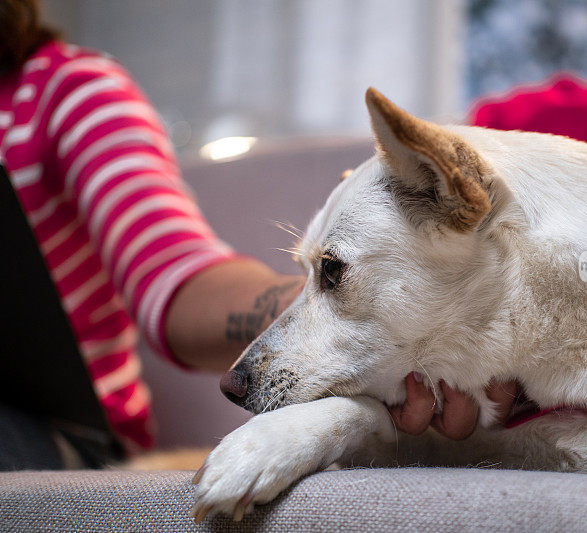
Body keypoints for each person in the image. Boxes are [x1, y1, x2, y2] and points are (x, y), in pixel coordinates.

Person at [0, 0, 490, 470]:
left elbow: (176, 274)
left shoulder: (66, 91)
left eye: (334, 275)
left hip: (58, 435)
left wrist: (349, 307)